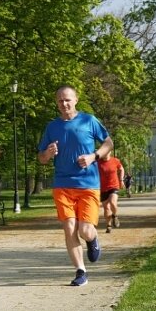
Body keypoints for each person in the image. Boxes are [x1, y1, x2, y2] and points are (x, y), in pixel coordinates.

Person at [37, 85, 113, 287]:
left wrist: (93, 156)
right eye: (60, 100)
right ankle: (81, 271)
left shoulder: (89, 120)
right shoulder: (52, 127)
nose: (64, 104)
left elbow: (108, 143)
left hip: (88, 183)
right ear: (57, 103)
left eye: (68, 99)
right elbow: (41, 158)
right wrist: (48, 153)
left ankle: (92, 239)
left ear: (76, 100)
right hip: (62, 184)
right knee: (69, 227)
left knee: (85, 230)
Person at [98, 153, 125, 233]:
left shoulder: (115, 160)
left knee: (113, 202)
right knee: (106, 208)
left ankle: (115, 216)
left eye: (106, 152)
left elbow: (121, 169)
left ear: (109, 152)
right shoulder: (98, 162)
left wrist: (121, 180)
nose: (104, 154)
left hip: (114, 186)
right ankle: (108, 225)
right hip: (102, 188)